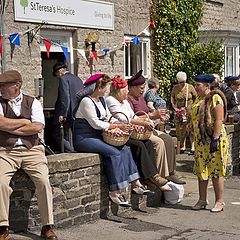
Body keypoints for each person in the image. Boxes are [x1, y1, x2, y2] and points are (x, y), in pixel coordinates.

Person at [73, 73, 151, 207]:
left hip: (98, 136)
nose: (107, 90)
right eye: (105, 87)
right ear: (97, 87)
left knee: (125, 148)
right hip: (84, 138)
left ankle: (135, 183)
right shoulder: (86, 101)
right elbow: (96, 123)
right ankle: (115, 192)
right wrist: (115, 126)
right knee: (114, 153)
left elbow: (110, 117)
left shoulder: (101, 100)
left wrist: (121, 125)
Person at [0, 70, 58, 239]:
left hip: (32, 150)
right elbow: (0, 123)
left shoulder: (33, 102)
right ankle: (3, 226)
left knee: (43, 182)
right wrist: (25, 122)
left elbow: (37, 127)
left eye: (4, 85)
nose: (0, 89)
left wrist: (11, 126)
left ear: (16, 85)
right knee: (1, 183)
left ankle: (47, 226)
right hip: (5, 151)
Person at [106, 75, 172, 191]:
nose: (126, 92)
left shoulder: (124, 102)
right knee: (140, 145)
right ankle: (152, 176)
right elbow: (123, 119)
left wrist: (146, 120)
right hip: (119, 133)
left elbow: (134, 116)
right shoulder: (111, 100)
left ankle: (151, 177)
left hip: (129, 131)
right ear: (119, 90)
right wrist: (144, 122)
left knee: (148, 143)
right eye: (125, 90)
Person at [127, 70, 186, 185]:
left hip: (149, 128)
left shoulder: (141, 98)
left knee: (168, 139)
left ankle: (171, 173)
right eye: (140, 88)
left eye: (143, 88)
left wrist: (160, 117)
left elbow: (149, 113)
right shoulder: (128, 100)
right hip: (139, 131)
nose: (143, 90)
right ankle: (158, 175)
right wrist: (152, 116)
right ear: (132, 87)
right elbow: (134, 118)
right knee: (159, 143)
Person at [191, 74, 228, 213]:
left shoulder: (215, 98)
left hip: (213, 138)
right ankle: (202, 199)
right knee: (201, 170)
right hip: (200, 141)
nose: (195, 87)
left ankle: (219, 201)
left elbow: (219, 119)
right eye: (195, 85)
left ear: (207, 86)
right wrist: (190, 124)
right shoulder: (198, 98)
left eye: (198, 85)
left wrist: (215, 138)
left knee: (216, 170)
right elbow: (196, 115)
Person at [52, 62, 84, 153]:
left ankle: (71, 151)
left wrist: (63, 114)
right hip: (78, 111)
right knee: (73, 134)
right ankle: (74, 150)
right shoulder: (77, 79)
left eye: (56, 74)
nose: (57, 77)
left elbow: (65, 98)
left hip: (69, 112)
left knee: (58, 134)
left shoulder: (63, 79)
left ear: (59, 71)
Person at [171, 71, 197, 154]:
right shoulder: (175, 88)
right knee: (180, 129)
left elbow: (196, 97)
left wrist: (193, 106)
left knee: (190, 128)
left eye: (183, 82)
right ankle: (183, 146)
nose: (182, 84)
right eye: (180, 82)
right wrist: (174, 107)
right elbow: (172, 98)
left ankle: (193, 147)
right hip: (179, 112)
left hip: (189, 111)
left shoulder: (190, 87)